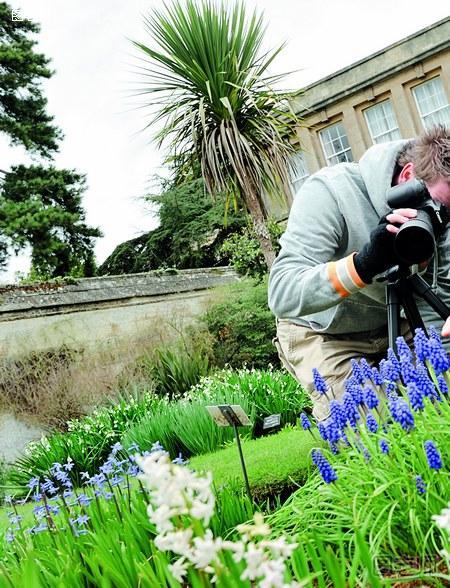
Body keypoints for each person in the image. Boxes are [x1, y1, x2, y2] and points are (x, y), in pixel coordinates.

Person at [268, 124, 450, 422]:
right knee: (375, 429)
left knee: (436, 402)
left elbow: (438, 301)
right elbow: (283, 292)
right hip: (324, 330)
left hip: (395, 316)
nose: (444, 220)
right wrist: (363, 264)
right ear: (408, 177)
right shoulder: (331, 192)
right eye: (441, 208)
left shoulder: (445, 208)